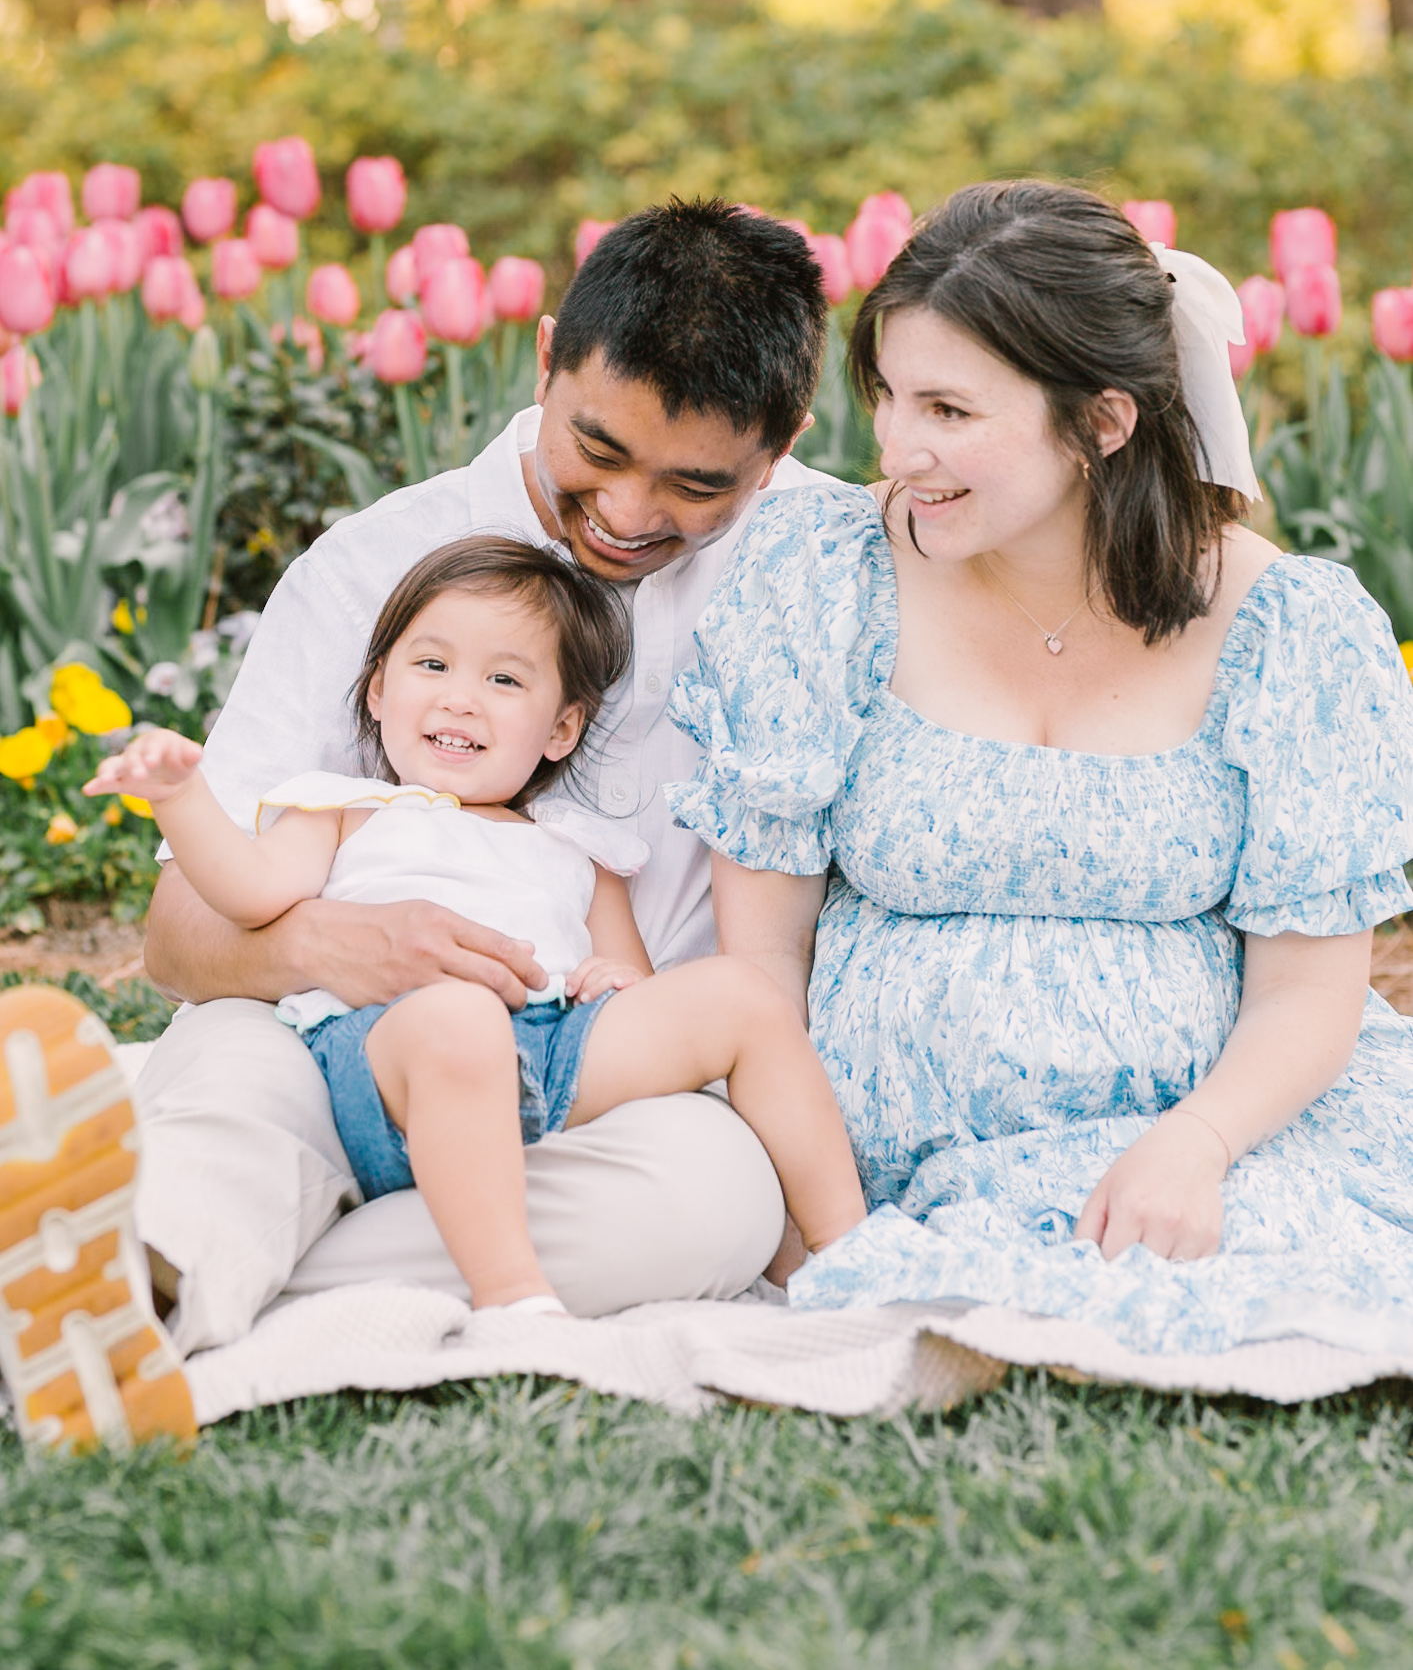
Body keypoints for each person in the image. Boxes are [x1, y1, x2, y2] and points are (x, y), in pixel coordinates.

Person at [0, 197, 835, 1452]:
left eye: (695, 484)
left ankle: (143, 1281)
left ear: (781, 451)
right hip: (327, 1040)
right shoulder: (373, 566)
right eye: (596, 447)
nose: (625, 509)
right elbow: (179, 939)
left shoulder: (827, 562)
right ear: (546, 356)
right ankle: (169, 1258)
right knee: (237, 1085)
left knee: (711, 1195)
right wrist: (334, 947)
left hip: (590, 1084)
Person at [670, 180, 1413, 1362]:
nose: (898, 451)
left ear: (1102, 423)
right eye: (890, 397)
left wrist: (1197, 1143)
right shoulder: (828, 574)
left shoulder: (1289, 629)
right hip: (875, 1146)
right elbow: (761, 953)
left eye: (951, 410)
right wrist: (811, 1186)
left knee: (1284, 1275)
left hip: (1203, 1125)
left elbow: (1310, 989)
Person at [84, 537, 864, 1322]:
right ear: (380, 689)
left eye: (503, 679)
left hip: (548, 1054)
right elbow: (248, 894)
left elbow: (627, 977)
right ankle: (512, 1295)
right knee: (457, 1015)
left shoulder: (574, 847)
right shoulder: (344, 810)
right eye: (433, 666)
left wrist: (612, 981)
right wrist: (180, 797)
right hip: (385, 1056)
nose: (462, 698)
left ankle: (849, 1253)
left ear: (559, 729)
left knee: (739, 993)